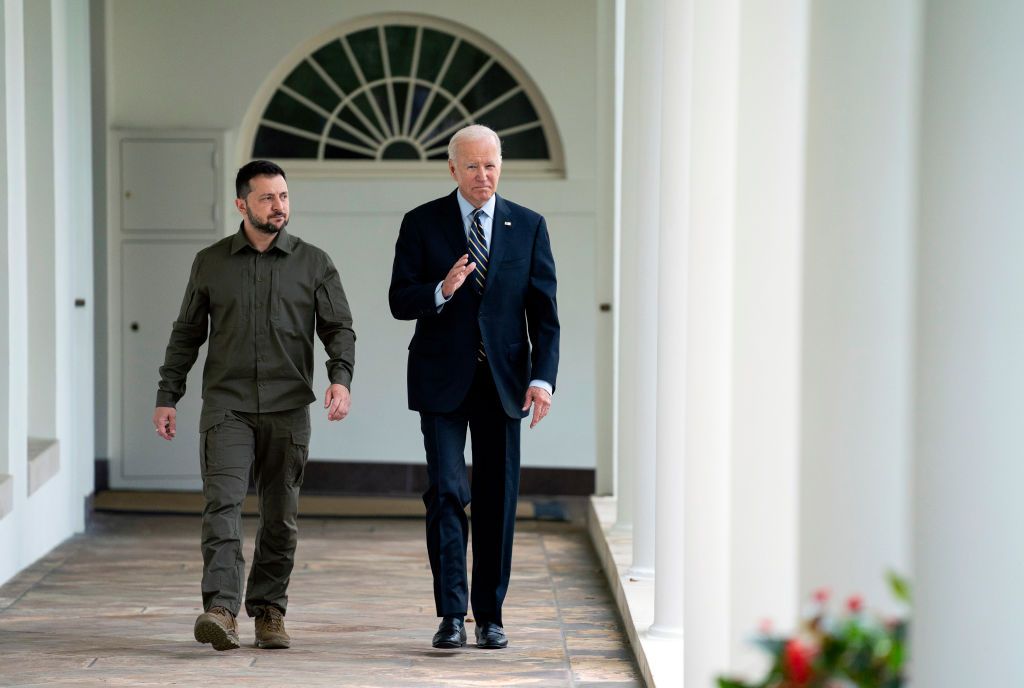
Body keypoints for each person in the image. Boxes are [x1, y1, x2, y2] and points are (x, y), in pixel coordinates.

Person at [152, 160, 356, 651]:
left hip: (288, 406)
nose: (278, 206)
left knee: (279, 516)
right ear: (242, 204)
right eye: (267, 198)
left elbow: (338, 328)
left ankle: (269, 610)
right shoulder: (211, 262)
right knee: (221, 506)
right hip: (227, 405)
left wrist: (340, 379)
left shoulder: (315, 262)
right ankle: (221, 610)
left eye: (284, 196)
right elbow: (186, 334)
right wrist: (168, 395)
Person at [389, 124, 560, 650]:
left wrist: (541, 380)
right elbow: (399, 300)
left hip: (504, 384)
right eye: (472, 166)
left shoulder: (528, 225)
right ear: (452, 169)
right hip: (442, 380)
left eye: (491, 165)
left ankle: (490, 614)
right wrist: (440, 290)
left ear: (500, 164)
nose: (483, 175)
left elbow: (545, 316)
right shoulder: (421, 223)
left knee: (496, 499)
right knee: (446, 492)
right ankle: (451, 616)